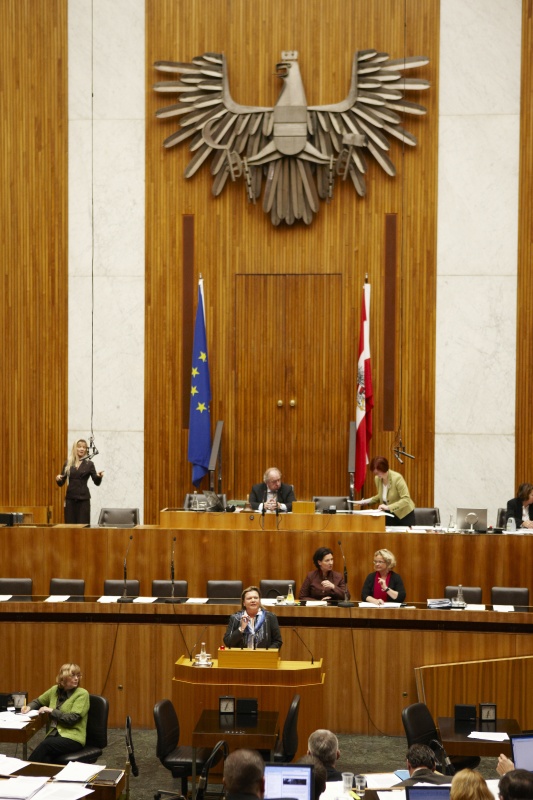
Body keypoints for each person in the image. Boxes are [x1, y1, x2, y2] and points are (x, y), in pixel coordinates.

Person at [21, 663, 89, 764]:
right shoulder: (54, 690)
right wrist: (28, 707)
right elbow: (38, 701)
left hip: (74, 738)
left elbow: (72, 719)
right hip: (55, 735)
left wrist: (51, 710)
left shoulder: (82, 694)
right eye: (72, 675)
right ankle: (36, 777)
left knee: (46, 745)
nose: (76, 679)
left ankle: (24, 773)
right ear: (63, 678)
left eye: (78, 676)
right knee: (46, 759)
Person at [356, 455, 415, 526]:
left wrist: (388, 507)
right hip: (389, 514)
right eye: (375, 473)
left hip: (404, 514)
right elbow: (381, 496)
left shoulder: (397, 478)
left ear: (384, 468)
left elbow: (406, 499)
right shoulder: (377, 479)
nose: (377, 475)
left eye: (378, 472)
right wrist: (366, 501)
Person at [56, 439, 104, 524]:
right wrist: (58, 478)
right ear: (75, 448)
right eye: (79, 447)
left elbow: (96, 482)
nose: (82, 449)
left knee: (83, 527)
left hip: (83, 500)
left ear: (86, 450)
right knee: (69, 526)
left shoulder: (89, 464)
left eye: (84, 447)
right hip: (70, 500)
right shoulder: (68, 463)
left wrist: (99, 477)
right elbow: (61, 482)